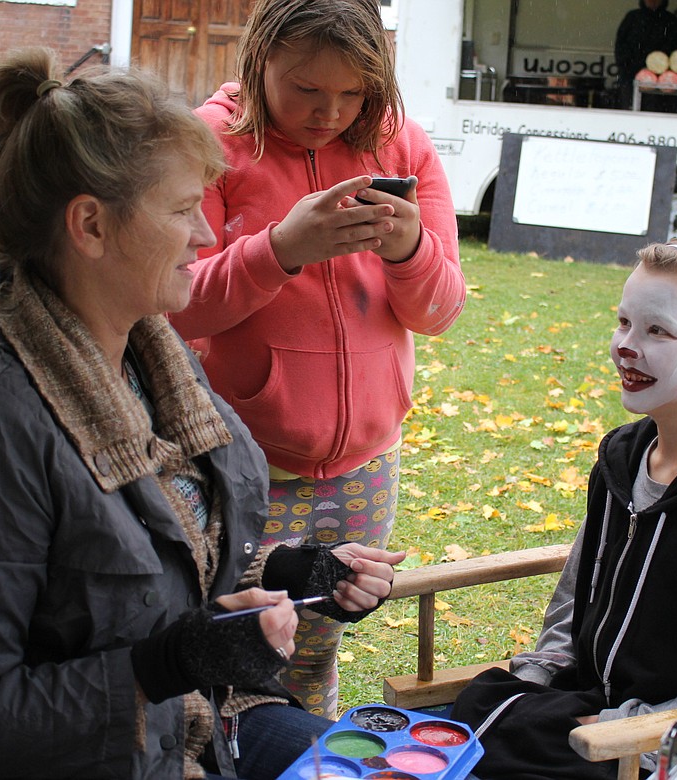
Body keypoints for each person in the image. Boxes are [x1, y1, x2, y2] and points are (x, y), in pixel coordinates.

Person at [0, 47, 403, 780]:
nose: (207, 235)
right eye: (183, 209)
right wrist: (167, 663)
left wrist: (297, 571)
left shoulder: (148, 356)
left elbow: (156, 555)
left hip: (183, 732)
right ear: (90, 225)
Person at [168, 0, 465, 718]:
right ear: (259, 57)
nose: (329, 111)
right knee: (226, 647)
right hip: (239, 465)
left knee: (315, 650)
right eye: (306, 88)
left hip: (364, 464)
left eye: (352, 91)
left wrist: (408, 249)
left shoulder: (403, 147)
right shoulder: (207, 143)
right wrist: (280, 250)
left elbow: (440, 309)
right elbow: (173, 305)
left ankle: (301, 754)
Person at [450, 240, 677, 779]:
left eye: (657, 331)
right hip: (589, 706)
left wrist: (618, 729)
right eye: (623, 322)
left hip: (666, 750)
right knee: (481, 710)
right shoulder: (624, 460)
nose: (625, 345)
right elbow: (573, 602)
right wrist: (541, 684)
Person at [613, 0, 677, 109]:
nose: (653, 1)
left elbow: (676, 50)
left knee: (654, 112)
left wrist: (660, 70)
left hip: (660, 80)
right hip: (630, 77)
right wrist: (628, 66)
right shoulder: (632, 17)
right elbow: (620, 46)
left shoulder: (670, 20)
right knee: (629, 110)